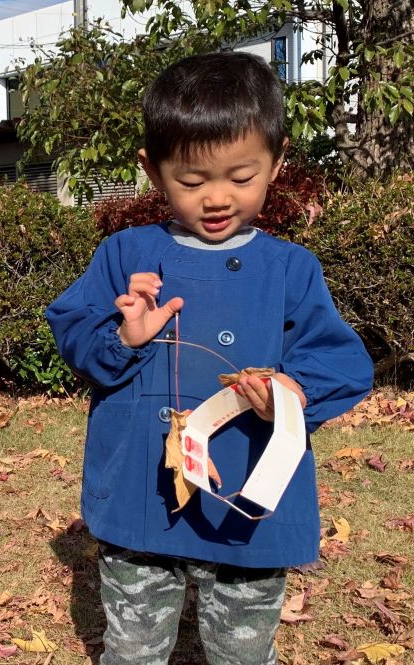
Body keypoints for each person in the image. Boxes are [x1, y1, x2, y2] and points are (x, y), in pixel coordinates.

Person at [46, 51, 373, 664]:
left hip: (250, 499)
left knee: (243, 651)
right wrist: (124, 337)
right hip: (140, 498)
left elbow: (340, 362)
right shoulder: (124, 255)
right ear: (152, 170)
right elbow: (76, 337)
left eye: (240, 176)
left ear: (275, 164)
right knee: (134, 647)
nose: (217, 198)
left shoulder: (290, 269)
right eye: (192, 181)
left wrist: (292, 393)